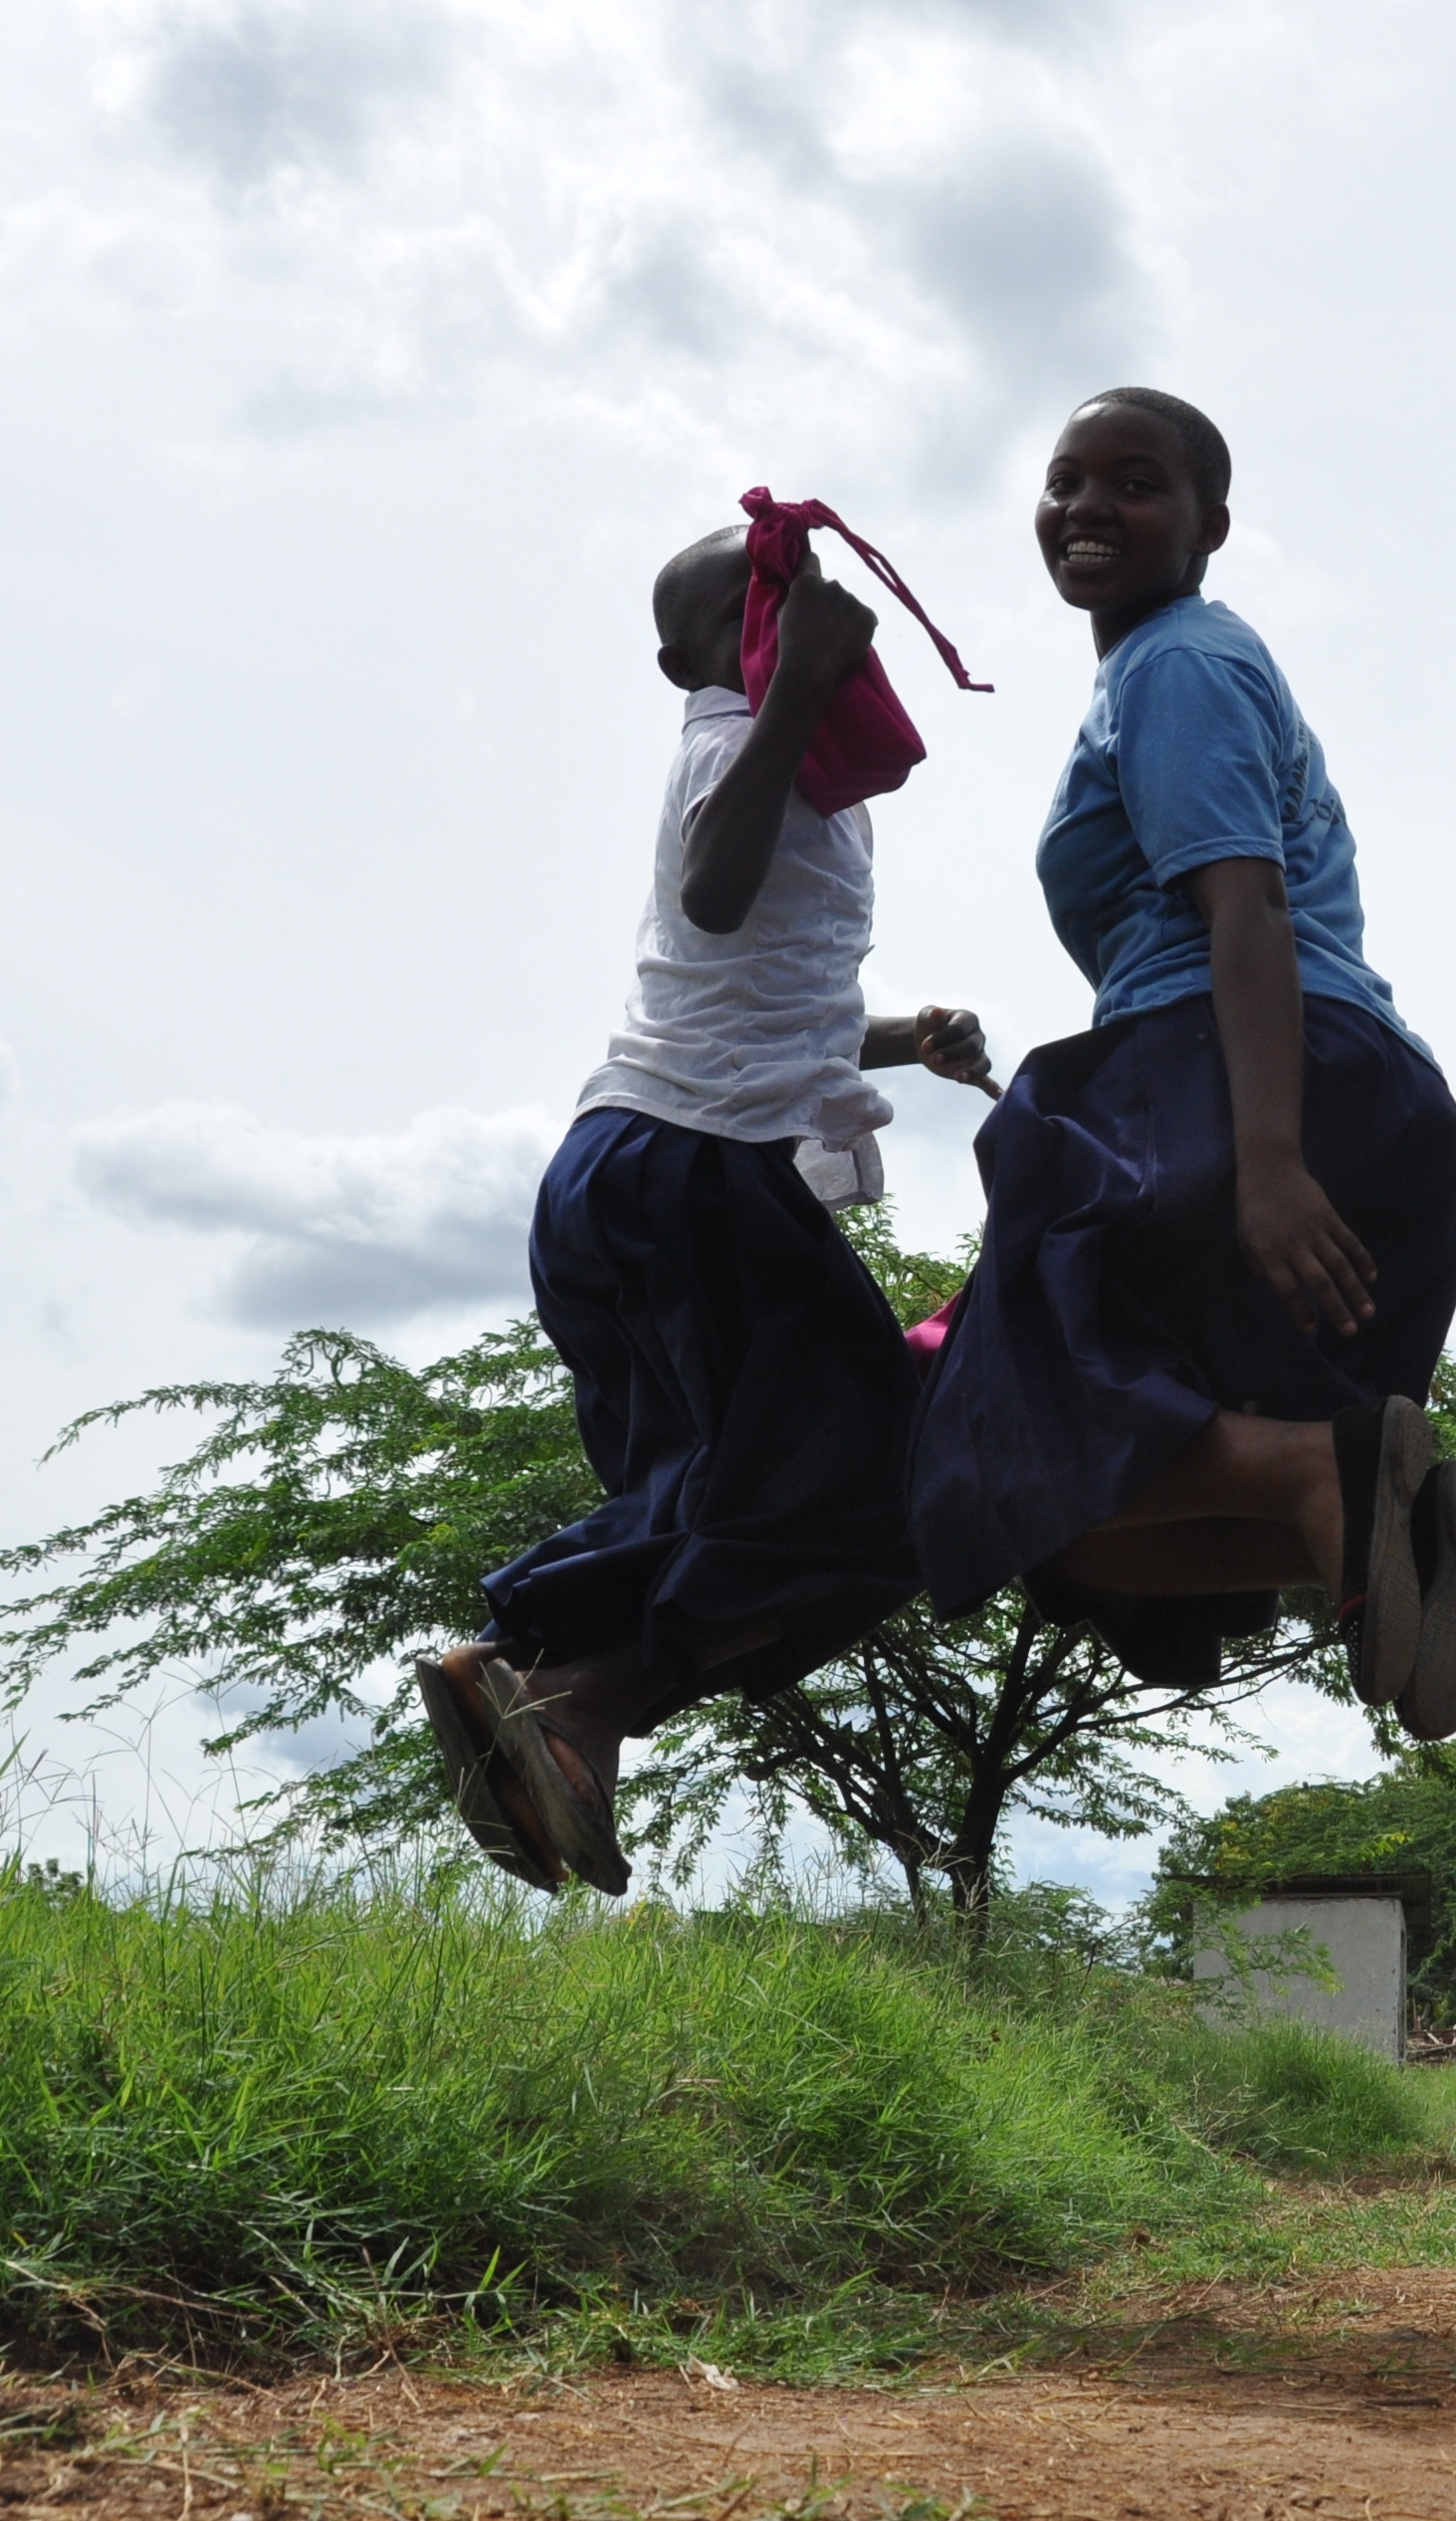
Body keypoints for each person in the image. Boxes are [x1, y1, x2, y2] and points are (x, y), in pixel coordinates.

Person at [910, 387, 1456, 1733]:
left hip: (1240, 1085)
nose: (1088, 508)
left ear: (1210, 523)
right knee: (1076, 1533)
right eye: (1066, 481)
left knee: (987, 1432)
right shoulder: (1161, 671)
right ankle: (1379, 1527)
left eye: (1135, 482)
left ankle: (1326, 1480)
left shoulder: (1180, 662)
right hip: (1325, 1087)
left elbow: (1248, 905)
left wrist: (1271, 1162)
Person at [418, 527, 993, 1893]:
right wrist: (790, 689)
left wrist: (904, 1037)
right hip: (682, 1176)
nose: (781, 622)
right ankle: (547, 1673)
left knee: (717, 1496)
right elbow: (713, 891)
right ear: (690, 656)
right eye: (751, 611)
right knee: (888, 1476)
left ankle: (566, 1716)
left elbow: (755, 993)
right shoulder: (730, 738)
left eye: (791, 606)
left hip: (631, 1167)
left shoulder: (810, 789)